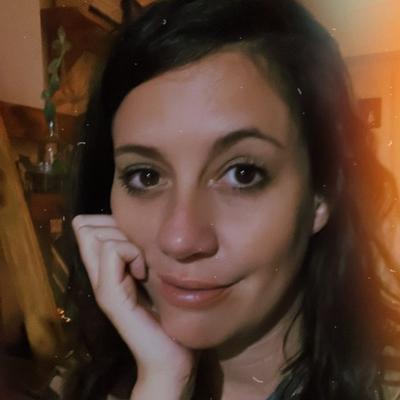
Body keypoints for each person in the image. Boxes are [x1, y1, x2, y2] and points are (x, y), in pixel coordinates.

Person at [65, 0, 400, 399]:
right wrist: (161, 381)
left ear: (320, 195)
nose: (180, 239)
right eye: (146, 176)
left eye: (243, 174)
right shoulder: (86, 382)